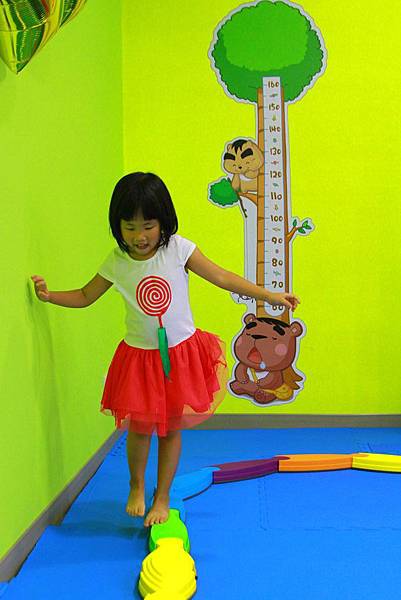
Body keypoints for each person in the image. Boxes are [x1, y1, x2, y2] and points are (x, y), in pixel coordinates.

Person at [31, 172, 300, 527]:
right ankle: (136, 486)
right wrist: (50, 296)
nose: (139, 236)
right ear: (117, 226)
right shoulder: (117, 261)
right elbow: (85, 296)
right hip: (139, 359)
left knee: (171, 429)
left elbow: (221, 277)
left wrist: (268, 295)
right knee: (139, 428)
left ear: (163, 222)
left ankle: (162, 496)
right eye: (129, 227)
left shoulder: (178, 249)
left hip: (180, 356)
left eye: (148, 226)